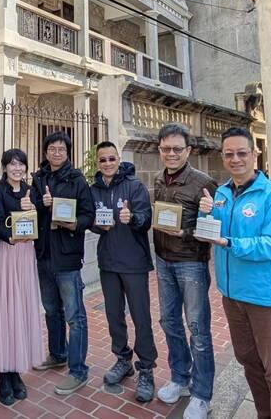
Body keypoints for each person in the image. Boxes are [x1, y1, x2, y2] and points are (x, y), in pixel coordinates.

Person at [197, 127, 271, 418]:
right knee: (249, 362)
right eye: (229, 154)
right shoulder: (221, 193)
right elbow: (212, 230)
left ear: (255, 154)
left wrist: (230, 243)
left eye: (242, 153)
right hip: (232, 295)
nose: (235, 159)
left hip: (266, 297)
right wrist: (206, 213)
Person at [151, 124, 218, 418]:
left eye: (177, 148)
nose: (172, 154)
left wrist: (185, 232)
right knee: (169, 322)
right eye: (166, 149)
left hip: (191, 263)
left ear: (188, 151)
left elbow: (213, 227)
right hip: (163, 261)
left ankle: (202, 393)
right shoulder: (158, 179)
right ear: (159, 150)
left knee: (198, 328)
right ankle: (180, 378)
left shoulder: (203, 182)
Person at [0, 148, 46, 406]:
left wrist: (33, 207)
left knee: (22, 309)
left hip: (25, 255)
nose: (17, 169)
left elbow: (39, 221)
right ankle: (4, 375)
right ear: (4, 167)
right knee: (5, 310)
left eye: (21, 164)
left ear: (26, 167)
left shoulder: (31, 189)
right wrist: (11, 235)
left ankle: (16, 372)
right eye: (12, 164)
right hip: (5, 254)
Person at [89, 141, 156, 402]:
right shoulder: (93, 189)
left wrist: (133, 218)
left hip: (134, 263)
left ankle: (147, 368)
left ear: (118, 160)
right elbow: (90, 218)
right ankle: (122, 359)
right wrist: (96, 225)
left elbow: (146, 218)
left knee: (141, 317)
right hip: (108, 262)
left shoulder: (135, 186)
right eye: (102, 160)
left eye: (111, 159)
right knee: (113, 315)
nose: (107, 163)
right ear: (97, 163)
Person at [31, 131, 94, 396]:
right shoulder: (37, 178)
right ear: (45, 151)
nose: (56, 153)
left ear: (68, 153)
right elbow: (29, 210)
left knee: (75, 315)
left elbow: (88, 215)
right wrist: (39, 203)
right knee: (51, 310)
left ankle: (78, 370)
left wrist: (74, 224)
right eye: (52, 149)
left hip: (67, 257)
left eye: (61, 149)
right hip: (44, 254)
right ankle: (58, 353)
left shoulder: (77, 180)